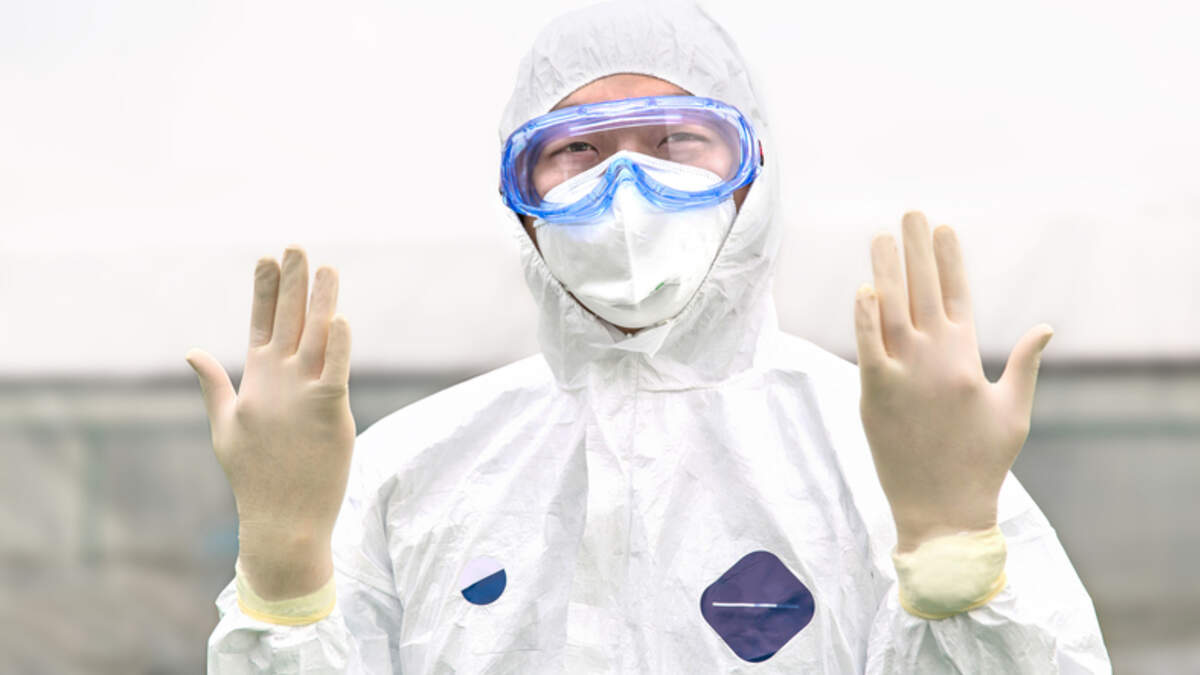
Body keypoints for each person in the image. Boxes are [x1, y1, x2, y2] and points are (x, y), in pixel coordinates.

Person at [190, 0, 1111, 672]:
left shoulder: (886, 455)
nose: (626, 191)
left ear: (752, 176)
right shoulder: (409, 472)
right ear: (523, 203)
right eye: (577, 152)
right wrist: (284, 578)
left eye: (675, 143)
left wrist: (952, 553)